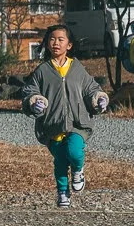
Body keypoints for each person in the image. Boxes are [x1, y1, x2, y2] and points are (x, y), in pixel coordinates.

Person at [20, 23, 107, 209]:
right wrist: (34, 101)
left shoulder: (77, 68)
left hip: (78, 122)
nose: (55, 43)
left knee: (74, 151)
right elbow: (29, 92)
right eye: (52, 39)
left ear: (69, 45)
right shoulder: (42, 71)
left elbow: (91, 88)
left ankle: (78, 170)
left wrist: (99, 98)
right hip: (52, 124)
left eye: (60, 39)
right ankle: (62, 192)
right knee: (59, 162)